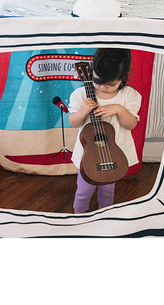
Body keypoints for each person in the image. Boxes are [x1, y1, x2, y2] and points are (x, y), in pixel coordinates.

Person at [68, 48, 141, 213]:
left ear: (123, 78)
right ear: (91, 72)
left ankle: (104, 215)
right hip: (88, 154)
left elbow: (130, 125)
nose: (103, 87)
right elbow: (73, 122)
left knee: (108, 190)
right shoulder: (81, 94)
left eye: (111, 84)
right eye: (97, 81)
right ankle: (78, 217)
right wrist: (82, 112)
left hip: (112, 155)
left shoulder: (128, 95)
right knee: (84, 191)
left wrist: (119, 110)